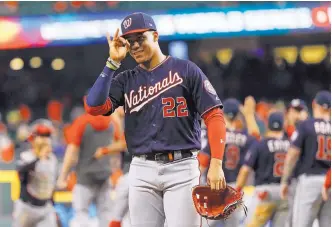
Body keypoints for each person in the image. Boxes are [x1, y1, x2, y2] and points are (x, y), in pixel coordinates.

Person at [85, 12, 227, 227]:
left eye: (140, 38)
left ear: (156, 36)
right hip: (142, 169)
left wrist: (216, 163)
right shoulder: (126, 80)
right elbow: (94, 106)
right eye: (129, 41)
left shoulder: (186, 70)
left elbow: (214, 115)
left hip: (181, 166)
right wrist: (112, 63)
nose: (135, 46)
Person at [197, 97, 259, 227]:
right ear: (238, 115)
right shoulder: (246, 137)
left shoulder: (216, 134)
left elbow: (203, 161)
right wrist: (248, 115)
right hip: (234, 188)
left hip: (213, 186)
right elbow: (257, 139)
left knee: (204, 223)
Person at [56, 113, 126, 227]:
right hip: (104, 176)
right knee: (106, 214)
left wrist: (62, 177)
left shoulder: (82, 122)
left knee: (81, 214)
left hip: (84, 178)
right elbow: (122, 144)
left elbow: (72, 152)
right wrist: (106, 151)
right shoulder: (111, 122)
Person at [280, 91, 331, 227]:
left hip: (310, 180)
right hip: (329, 181)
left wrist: (285, 180)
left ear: (314, 104)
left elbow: (292, 155)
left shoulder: (306, 125)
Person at [236, 112, 290, 227]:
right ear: (283, 125)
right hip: (285, 192)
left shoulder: (260, 144)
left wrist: (238, 190)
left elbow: (245, 170)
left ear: (267, 125)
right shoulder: (291, 145)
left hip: (265, 192)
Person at [12, 119, 58, 227]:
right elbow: (21, 173)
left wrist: (53, 206)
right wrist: (38, 158)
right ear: (33, 139)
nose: (45, 140)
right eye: (41, 136)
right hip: (26, 208)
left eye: (47, 136)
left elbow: (51, 185)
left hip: (45, 208)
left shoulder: (53, 159)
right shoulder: (26, 156)